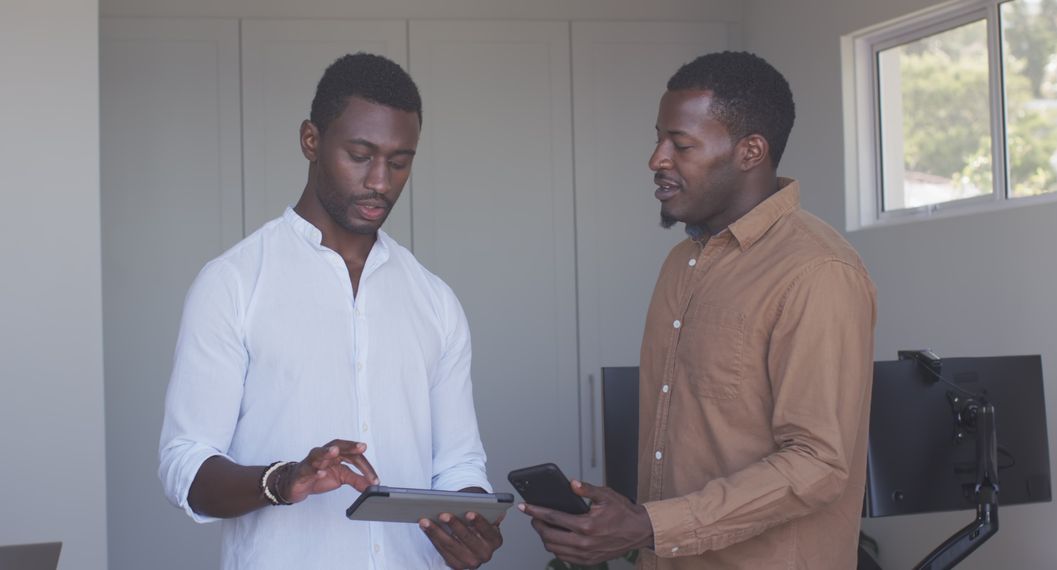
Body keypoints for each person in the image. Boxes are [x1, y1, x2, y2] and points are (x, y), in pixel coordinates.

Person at [520, 51, 877, 569]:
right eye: (659, 138)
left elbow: (817, 464)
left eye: (680, 144)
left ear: (750, 151)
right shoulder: (681, 263)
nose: (656, 159)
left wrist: (649, 525)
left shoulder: (818, 272)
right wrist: (633, 523)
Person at [159, 52, 503, 570]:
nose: (381, 181)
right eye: (360, 154)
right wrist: (284, 479)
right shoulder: (233, 284)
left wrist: (471, 521)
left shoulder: (434, 300)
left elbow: (458, 463)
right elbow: (184, 464)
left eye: (400, 160)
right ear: (311, 141)